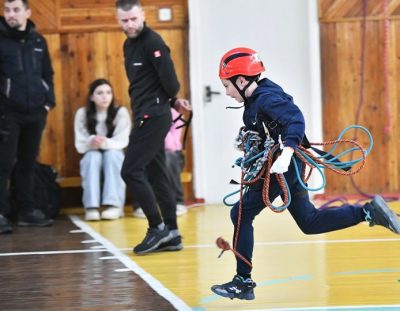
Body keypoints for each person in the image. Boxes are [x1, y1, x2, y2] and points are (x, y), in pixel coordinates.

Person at [210, 47, 400, 300]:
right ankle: (367, 211)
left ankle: (243, 281)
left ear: (241, 80)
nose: (227, 93)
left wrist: (287, 152)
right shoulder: (258, 97)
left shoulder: (265, 98)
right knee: (309, 222)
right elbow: (269, 125)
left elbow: (295, 120)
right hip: (284, 167)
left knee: (240, 213)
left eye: (227, 86)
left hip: (283, 168)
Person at [115, 0, 191, 254]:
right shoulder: (129, 44)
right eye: (124, 20)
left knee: (131, 170)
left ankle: (157, 227)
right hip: (145, 113)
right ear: (118, 20)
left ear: (142, 15)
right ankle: (172, 233)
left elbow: (171, 83)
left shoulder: (153, 42)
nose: (130, 24)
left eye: (133, 19)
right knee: (157, 173)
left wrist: (171, 99)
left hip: (154, 116)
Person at [0, 0, 55, 234]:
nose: (11, 15)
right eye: (7, 10)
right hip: (7, 114)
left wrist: (48, 103)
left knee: (27, 164)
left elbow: (47, 74)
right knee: (3, 164)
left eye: (16, 10)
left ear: (27, 12)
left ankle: (26, 210)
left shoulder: (38, 41)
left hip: (35, 113)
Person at [74, 78, 131, 221]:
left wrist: (104, 142)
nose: (105, 96)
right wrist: (91, 141)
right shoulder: (82, 113)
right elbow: (80, 144)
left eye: (108, 92)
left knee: (112, 155)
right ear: (92, 97)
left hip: (114, 151)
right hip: (91, 151)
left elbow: (122, 140)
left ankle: (114, 205)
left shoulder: (120, 112)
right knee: (92, 157)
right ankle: (91, 207)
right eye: (99, 93)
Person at [133, 108, 187, 218]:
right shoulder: (143, 114)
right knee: (140, 160)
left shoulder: (176, 117)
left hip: (171, 153)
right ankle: (142, 205)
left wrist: (160, 127)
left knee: (168, 158)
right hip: (147, 151)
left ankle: (178, 201)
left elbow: (172, 145)